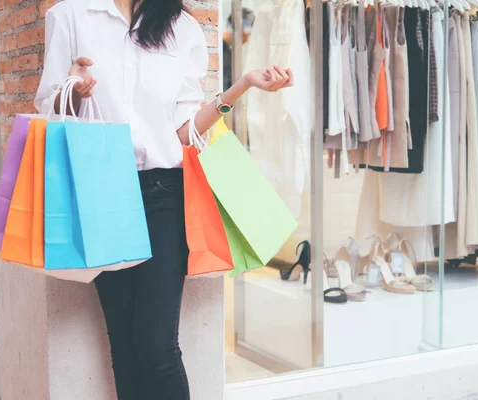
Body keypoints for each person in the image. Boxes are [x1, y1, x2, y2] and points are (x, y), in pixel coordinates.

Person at [34, 0, 292, 399]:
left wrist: (241, 86)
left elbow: (183, 132)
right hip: (102, 192)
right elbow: (49, 105)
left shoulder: (180, 26)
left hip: (164, 194)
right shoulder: (71, 15)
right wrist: (72, 88)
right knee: (123, 342)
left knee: (157, 346)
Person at [222, 8, 255, 91]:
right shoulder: (222, 53)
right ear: (236, 29)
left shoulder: (225, 51)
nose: (247, 39)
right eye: (246, 35)